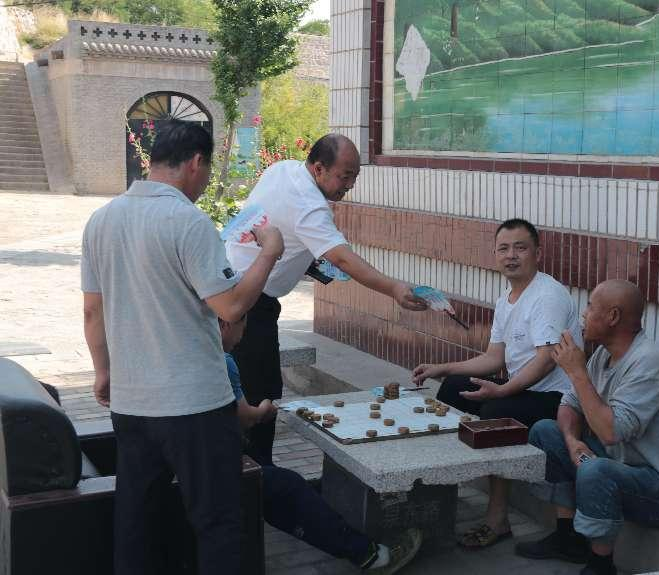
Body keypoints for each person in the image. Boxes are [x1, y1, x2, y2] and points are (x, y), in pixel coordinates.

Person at [81, 120, 285, 575]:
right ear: (196, 162)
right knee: (217, 524)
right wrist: (270, 252)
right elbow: (231, 306)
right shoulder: (188, 221)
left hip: (132, 404)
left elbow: (93, 311)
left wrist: (103, 371)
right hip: (195, 407)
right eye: (207, 170)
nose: (206, 180)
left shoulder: (101, 220)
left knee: (136, 523)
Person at [226, 133, 427, 465]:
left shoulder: (282, 170)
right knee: (259, 393)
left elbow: (283, 226)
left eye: (354, 177)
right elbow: (343, 259)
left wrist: (303, 260)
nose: (349, 185)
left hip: (231, 289)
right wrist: (393, 288)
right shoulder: (311, 206)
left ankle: (250, 470)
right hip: (250, 305)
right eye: (344, 176)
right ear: (319, 168)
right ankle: (257, 473)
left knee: (246, 387)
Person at [412, 218, 582, 549]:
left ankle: (497, 518)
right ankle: (439, 492)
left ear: (537, 253)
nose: (511, 255)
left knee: (495, 411)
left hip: (558, 398)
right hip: (525, 388)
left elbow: (548, 359)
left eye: (520, 248)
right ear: (494, 255)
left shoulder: (547, 295)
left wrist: (502, 390)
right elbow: (494, 357)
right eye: (503, 249)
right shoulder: (507, 298)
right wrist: (442, 368)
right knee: (453, 388)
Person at [517, 279, 659, 575]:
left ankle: (600, 566)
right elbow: (569, 405)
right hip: (621, 464)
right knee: (545, 431)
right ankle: (568, 538)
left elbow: (610, 432)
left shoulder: (650, 361)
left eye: (590, 306)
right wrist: (572, 442)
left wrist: (576, 372)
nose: (584, 314)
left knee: (595, 470)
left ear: (613, 316)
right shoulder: (603, 354)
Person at [218, 315, 423, 575]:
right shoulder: (221, 360)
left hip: (200, 451)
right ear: (224, 324)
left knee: (271, 478)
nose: (241, 338)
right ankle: (370, 556)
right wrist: (264, 409)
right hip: (205, 463)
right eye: (241, 329)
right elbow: (246, 418)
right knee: (286, 485)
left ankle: (320, 510)